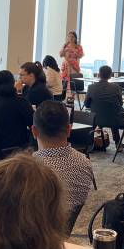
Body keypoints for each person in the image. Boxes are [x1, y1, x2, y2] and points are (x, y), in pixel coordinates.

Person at [32, 100, 93, 234]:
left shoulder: (27, 169)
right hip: (61, 235)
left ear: (34, 131)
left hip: (29, 240)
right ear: (69, 130)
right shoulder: (84, 162)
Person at [0, 70, 34, 152]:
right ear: (13, 82)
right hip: (11, 151)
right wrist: (19, 92)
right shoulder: (20, 102)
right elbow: (34, 125)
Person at [84, 65, 124, 148]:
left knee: (98, 114)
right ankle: (118, 143)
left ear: (98, 74)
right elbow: (120, 103)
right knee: (112, 113)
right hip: (114, 120)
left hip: (96, 119)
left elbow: (86, 104)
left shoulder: (91, 87)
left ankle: (89, 143)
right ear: (110, 75)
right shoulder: (116, 87)